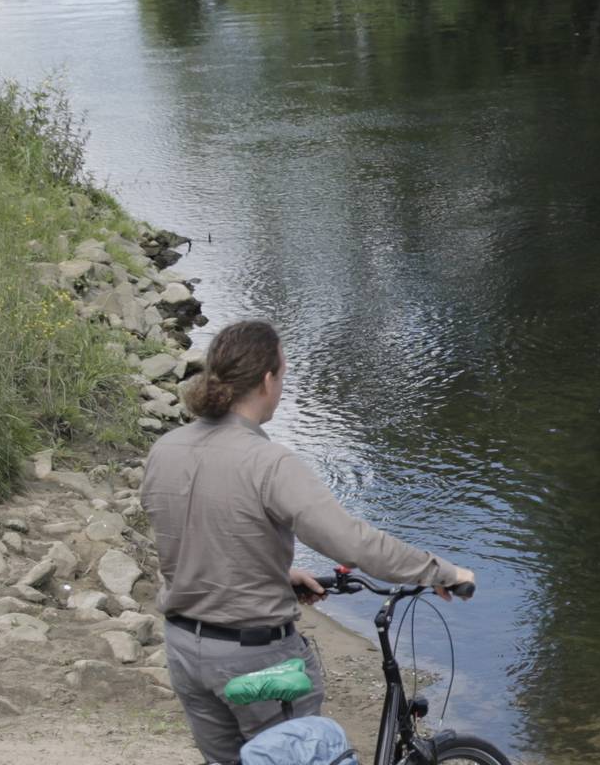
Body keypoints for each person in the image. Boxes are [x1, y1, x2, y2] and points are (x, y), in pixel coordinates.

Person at [141, 321, 477, 765]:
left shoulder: (166, 449)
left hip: (187, 653)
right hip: (257, 663)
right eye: (283, 373)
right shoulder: (268, 461)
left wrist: (274, 575)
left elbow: (190, 538)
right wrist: (443, 572)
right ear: (267, 380)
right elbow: (352, 543)